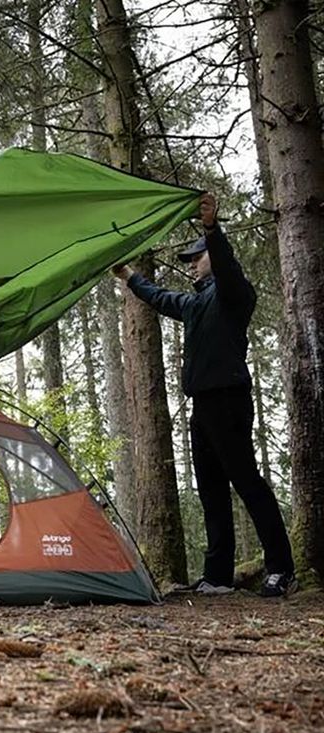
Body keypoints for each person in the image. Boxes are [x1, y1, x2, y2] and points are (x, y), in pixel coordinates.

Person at [112, 193, 296, 597]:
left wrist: (212, 229)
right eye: (191, 258)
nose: (192, 263)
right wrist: (127, 276)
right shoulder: (195, 304)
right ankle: (217, 577)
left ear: (214, 256)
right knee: (211, 488)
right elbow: (160, 298)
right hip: (202, 406)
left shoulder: (234, 293)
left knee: (247, 482)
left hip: (229, 399)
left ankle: (282, 568)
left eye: (197, 256)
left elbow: (227, 266)